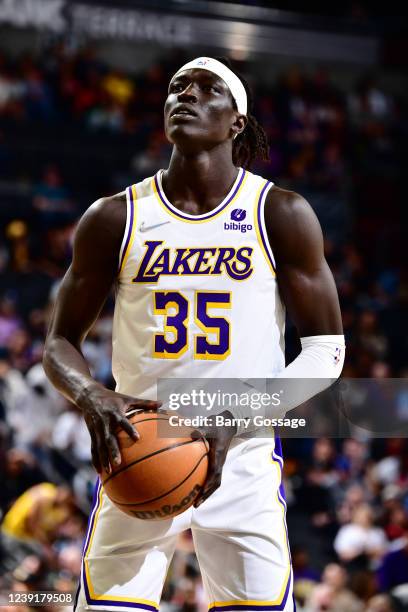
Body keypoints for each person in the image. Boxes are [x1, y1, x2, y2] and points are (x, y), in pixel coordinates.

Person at [43, 56, 345, 612]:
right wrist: (91, 395)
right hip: (139, 446)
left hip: (243, 453)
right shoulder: (114, 216)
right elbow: (59, 341)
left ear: (236, 122)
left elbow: (327, 351)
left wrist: (237, 415)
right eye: (178, 88)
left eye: (209, 90)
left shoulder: (280, 212)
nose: (187, 95)